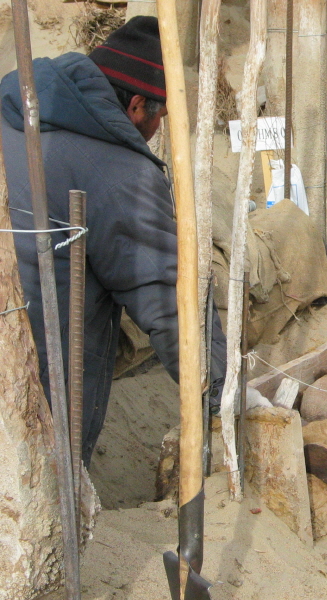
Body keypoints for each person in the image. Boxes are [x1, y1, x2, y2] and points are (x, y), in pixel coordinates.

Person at [1, 16, 226, 467]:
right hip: (38, 384)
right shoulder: (121, 174)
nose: (160, 127)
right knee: (45, 487)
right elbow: (169, 300)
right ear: (138, 105)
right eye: (161, 115)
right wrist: (224, 393)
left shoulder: (14, 107)